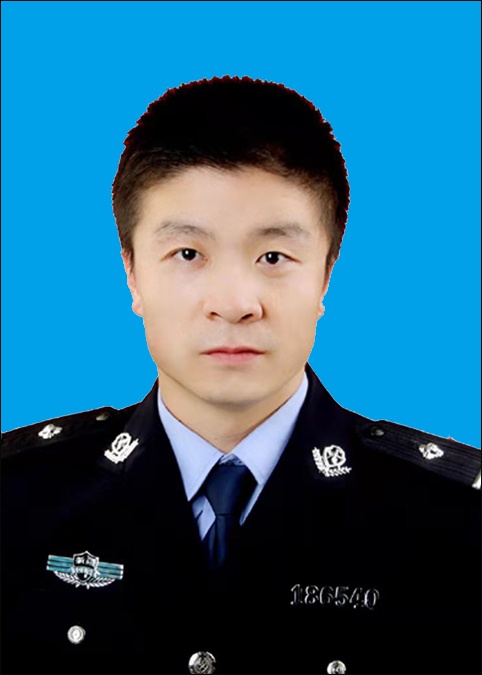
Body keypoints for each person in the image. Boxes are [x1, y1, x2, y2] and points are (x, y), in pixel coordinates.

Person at [1, 75, 480, 675]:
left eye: (272, 257)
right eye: (188, 254)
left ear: (326, 273)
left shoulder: (454, 518)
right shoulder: (17, 498)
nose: (233, 304)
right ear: (132, 273)